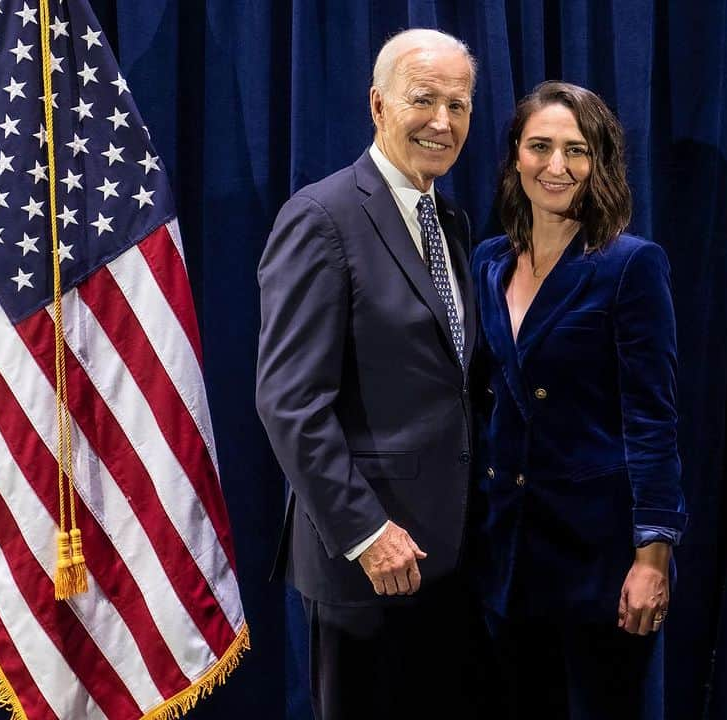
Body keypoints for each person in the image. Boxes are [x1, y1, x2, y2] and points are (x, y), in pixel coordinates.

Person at [256, 28, 485, 720]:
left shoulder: (449, 217)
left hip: (446, 555)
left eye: (460, 104)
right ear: (378, 106)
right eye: (424, 100)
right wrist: (365, 531)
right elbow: (289, 401)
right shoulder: (322, 218)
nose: (443, 122)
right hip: (367, 562)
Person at [470, 81, 688, 719]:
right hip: (503, 556)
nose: (556, 166)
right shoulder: (487, 262)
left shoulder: (630, 264)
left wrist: (653, 555)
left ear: (600, 162)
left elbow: (653, 420)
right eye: (540, 146)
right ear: (516, 155)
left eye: (576, 149)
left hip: (598, 560)